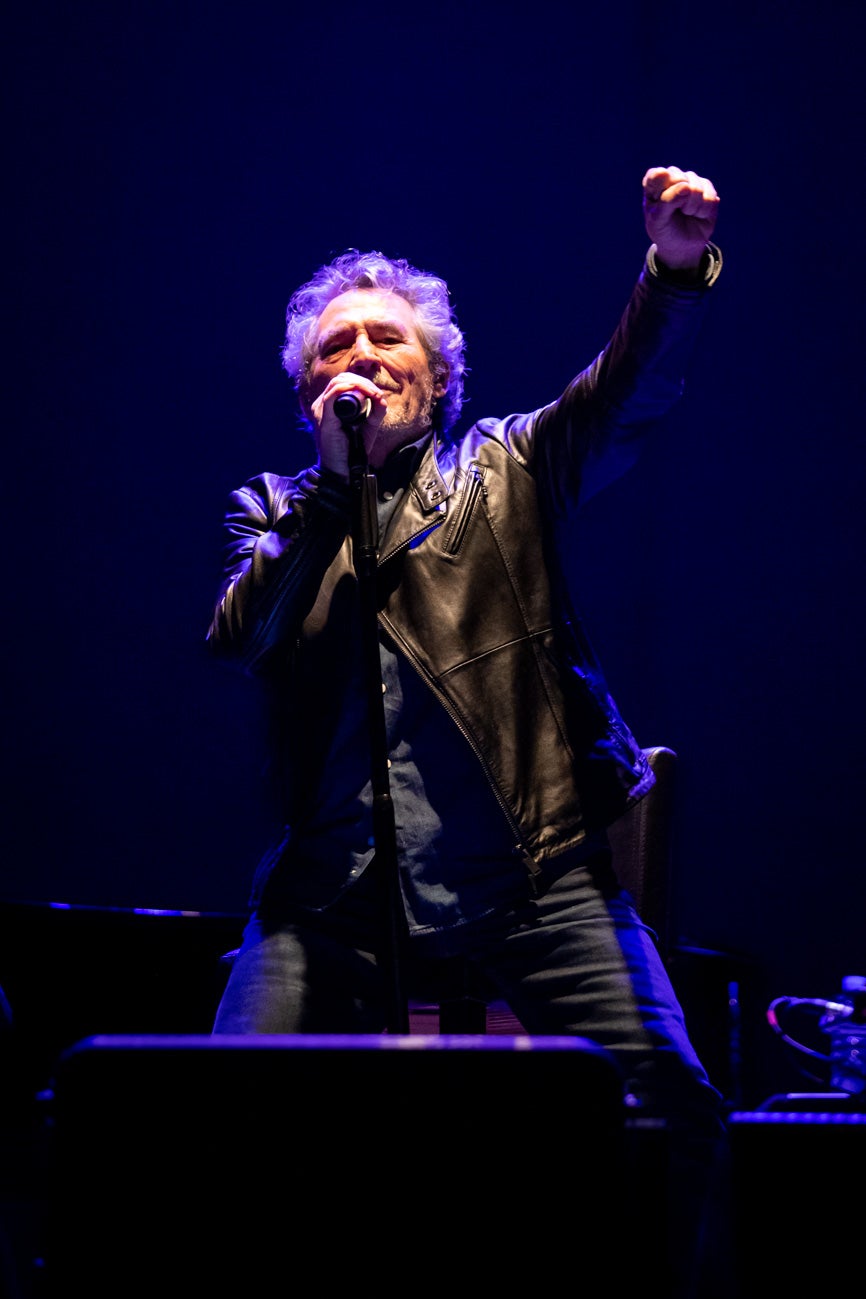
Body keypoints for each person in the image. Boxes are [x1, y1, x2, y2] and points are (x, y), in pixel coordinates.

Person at [206, 165, 733, 1297]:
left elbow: (622, 394)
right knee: (217, 1115)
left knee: (675, 1106)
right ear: (308, 390)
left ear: (435, 377)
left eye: (384, 340)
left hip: (533, 880)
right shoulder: (276, 510)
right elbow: (241, 637)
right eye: (334, 347)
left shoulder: (504, 472)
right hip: (329, 898)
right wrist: (332, 494)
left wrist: (673, 271)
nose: (359, 357)